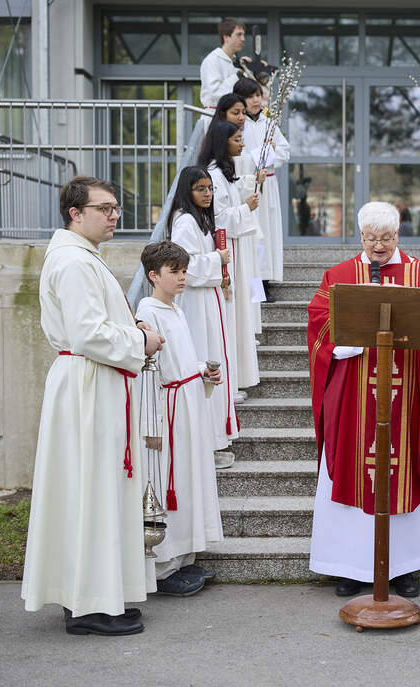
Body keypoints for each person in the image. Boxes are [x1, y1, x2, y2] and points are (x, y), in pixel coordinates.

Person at [21, 176, 164, 636]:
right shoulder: (73, 261)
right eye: (105, 208)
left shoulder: (83, 256)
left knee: (97, 490)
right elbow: (88, 334)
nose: (114, 216)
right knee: (90, 491)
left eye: (116, 208)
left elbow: (98, 323)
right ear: (75, 213)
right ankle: (86, 607)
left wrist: (132, 328)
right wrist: (140, 341)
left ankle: (99, 596)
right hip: (87, 384)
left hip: (94, 382)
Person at [306, 201, 420, 598]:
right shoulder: (339, 276)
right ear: (360, 236)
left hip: (408, 398)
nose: (378, 246)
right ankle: (352, 566)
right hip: (354, 399)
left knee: (405, 473)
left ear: (398, 234)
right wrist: (348, 340)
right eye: (370, 238)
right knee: (352, 471)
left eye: (386, 238)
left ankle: (402, 567)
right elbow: (319, 326)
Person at [137, 241, 225, 596]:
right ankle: (162, 566)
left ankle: (185, 557)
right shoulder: (148, 311)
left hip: (188, 404)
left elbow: (182, 361)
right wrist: (151, 424)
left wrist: (202, 371)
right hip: (167, 410)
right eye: (174, 271)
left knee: (189, 481)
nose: (182, 277)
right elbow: (148, 371)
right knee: (167, 483)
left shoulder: (175, 309)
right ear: (153, 275)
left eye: (184, 270)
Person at [168, 166, 239, 467]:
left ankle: (215, 439)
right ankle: (205, 444)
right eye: (201, 188)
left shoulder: (200, 220)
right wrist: (217, 259)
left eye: (210, 188)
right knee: (204, 361)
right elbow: (184, 267)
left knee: (215, 357)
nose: (208, 193)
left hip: (209, 299)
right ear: (188, 190)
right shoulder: (185, 222)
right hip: (196, 304)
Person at [198, 120, 261, 400]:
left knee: (239, 312)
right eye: (237, 139)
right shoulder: (213, 174)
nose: (243, 143)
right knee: (230, 315)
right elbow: (219, 218)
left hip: (237, 246)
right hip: (226, 248)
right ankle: (228, 383)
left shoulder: (224, 172)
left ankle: (236, 378)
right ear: (223, 142)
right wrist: (246, 208)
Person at [233, 77, 291, 301]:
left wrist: (270, 153)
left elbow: (285, 151)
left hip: (270, 185)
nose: (256, 100)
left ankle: (267, 282)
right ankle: (255, 286)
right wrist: (266, 153)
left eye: (258, 95)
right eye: (250, 97)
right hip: (250, 185)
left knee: (269, 234)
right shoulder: (239, 125)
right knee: (254, 235)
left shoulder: (268, 123)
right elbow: (241, 157)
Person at [199, 18, 248, 109]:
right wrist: (239, 74)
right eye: (239, 35)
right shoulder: (212, 60)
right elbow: (216, 93)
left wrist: (254, 72)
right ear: (226, 37)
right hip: (214, 114)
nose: (243, 39)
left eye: (243, 35)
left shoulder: (237, 63)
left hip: (234, 114)